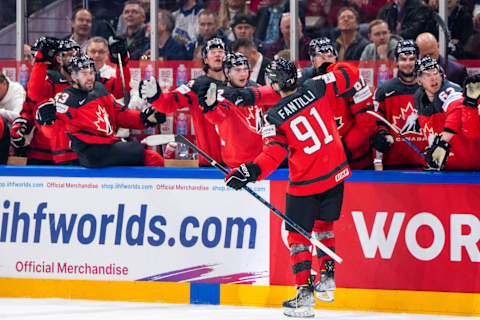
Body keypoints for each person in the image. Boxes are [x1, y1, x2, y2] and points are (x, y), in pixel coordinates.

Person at [218, 58, 359, 316]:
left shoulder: (273, 116)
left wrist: (249, 172)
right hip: (337, 173)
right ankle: (327, 278)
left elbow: (272, 156)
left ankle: (304, 295)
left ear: (274, 83)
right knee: (323, 225)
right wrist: (327, 67)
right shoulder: (316, 86)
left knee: (297, 237)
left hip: (306, 182)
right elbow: (350, 73)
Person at [35, 55, 165, 168]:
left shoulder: (99, 90)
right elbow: (52, 130)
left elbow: (119, 114)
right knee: (152, 159)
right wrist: (44, 120)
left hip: (107, 147)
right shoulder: (65, 99)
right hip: (85, 155)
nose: (90, 77)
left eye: (91, 72)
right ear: (74, 76)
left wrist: (145, 118)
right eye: (84, 74)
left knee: (153, 159)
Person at [138, 37, 226, 166]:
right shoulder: (196, 86)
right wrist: (156, 97)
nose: (217, 54)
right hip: (211, 164)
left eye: (221, 51)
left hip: (239, 163)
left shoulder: (238, 85)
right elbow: (169, 103)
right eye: (213, 51)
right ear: (205, 59)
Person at [299, 37, 376, 170]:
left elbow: (367, 121)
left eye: (330, 56)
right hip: (319, 158)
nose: (326, 60)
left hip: (354, 157)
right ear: (312, 60)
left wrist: (345, 147)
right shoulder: (302, 82)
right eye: (320, 56)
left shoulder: (352, 78)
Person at [413, 56, 480, 170]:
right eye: (427, 75)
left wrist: (442, 143)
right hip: (449, 168)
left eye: (436, 73)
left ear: (443, 75)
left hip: (472, 165)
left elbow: (457, 111)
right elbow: (430, 131)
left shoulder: (450, 90)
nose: (434, 78)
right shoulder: (419, 97)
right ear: (419, 81)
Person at [203, 52, 265, 167]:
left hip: (262, 161)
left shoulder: (257, 90)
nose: (243, 74)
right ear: (227, 73)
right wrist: (210, 107)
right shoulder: (221, 96)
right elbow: (216, 117)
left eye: (245, 69)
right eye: (237, 70)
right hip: (235, 163)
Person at [373, 40, 427, 169]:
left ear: (418, 60)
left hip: (426, 163)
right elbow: (377, 122)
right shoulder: (384, 91)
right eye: (403, 59)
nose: (408, 64)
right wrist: (382, 135)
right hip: (394, 164)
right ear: (396, 61)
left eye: (412, 59)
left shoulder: (429, 88)